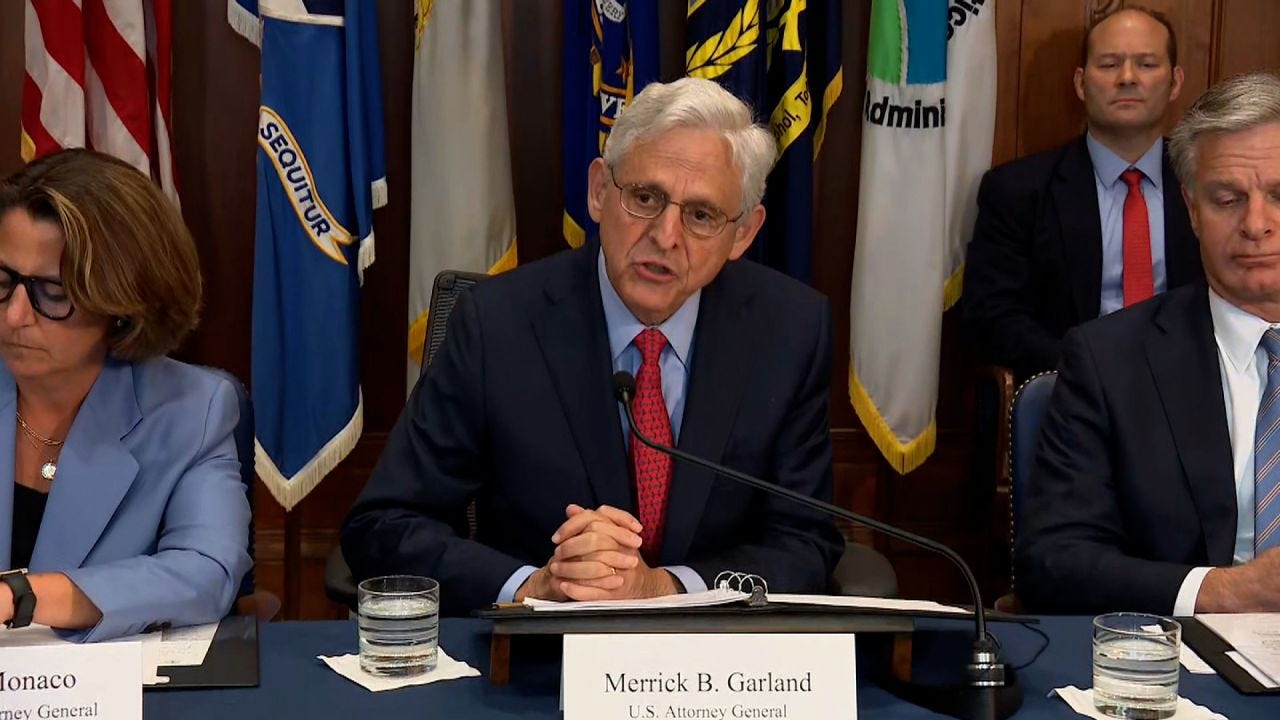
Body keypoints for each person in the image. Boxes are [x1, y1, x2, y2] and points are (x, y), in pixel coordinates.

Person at [342, 77, 843, 615]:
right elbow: (385, 524)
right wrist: (533, 587)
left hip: (714, 659)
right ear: (600, 191)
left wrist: (665, 589)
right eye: (645, 198)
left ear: (742, 233)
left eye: (701, 215)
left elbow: (804, 541)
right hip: (540, 652)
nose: (665, 236)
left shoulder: (789, 332)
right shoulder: (497, 325)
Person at [1016, 71, 1280, 614]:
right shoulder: (1110, 361)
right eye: (1227, 199)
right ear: (1191, 210)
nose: (1256, 224)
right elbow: (1055, 562)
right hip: (1184, 651)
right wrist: (1224, 591)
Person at [0, 150, 252, 640]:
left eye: (53, 292)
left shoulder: (192, 410)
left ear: (121, 303)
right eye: (4, 281)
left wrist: (19, 597)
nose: (14, 315)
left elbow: (205, 572)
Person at [963, 6, 1202, 380]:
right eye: (1109, 64)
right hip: (1071, 388)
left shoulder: (1209, 186)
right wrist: (1091, 370)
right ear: (1080, 82)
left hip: (1187, 386)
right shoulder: (1017, 191)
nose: (1127, 78)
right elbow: (991, 318)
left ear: (1175, 82)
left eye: (1146, 64)